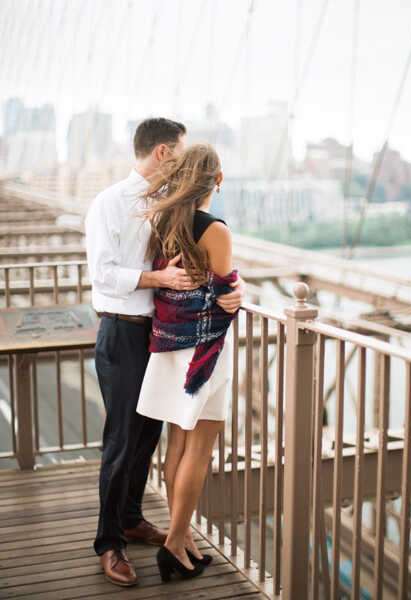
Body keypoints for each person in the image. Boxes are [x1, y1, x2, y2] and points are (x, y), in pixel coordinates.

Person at [85, 119, 244, 587]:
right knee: (121, 441)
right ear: (160, 153)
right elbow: (102, 273)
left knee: (149, 436)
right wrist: (160, 279)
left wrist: (233, 289)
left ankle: (132, 517)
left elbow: (205, 268)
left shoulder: (167, 207)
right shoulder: (110, 203)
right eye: (177, 152)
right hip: (122, 330)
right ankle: (108, 542)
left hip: (157, 336)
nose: (182, 160)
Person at [136, 143, 238, 582]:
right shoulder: (215, 229)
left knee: (178, 444)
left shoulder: (162, 221)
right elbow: (225, 290)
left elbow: (182, 282)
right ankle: (175, 543)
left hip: (168, 343)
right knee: (201, 447)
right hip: (204, 352)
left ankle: (183, 536)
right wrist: (240, 290)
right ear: (216, 180)